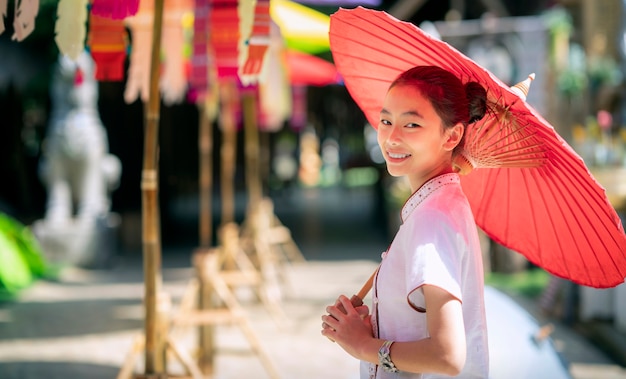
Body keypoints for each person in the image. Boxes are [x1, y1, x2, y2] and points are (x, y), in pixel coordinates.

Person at [321, 65, 490, 379]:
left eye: (411, 124)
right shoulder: (437, 206)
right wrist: (373, 325)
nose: (391, 138)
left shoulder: (432, 219)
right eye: (386, 121)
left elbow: (447, 355)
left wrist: (362, 346)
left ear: (452, 135)